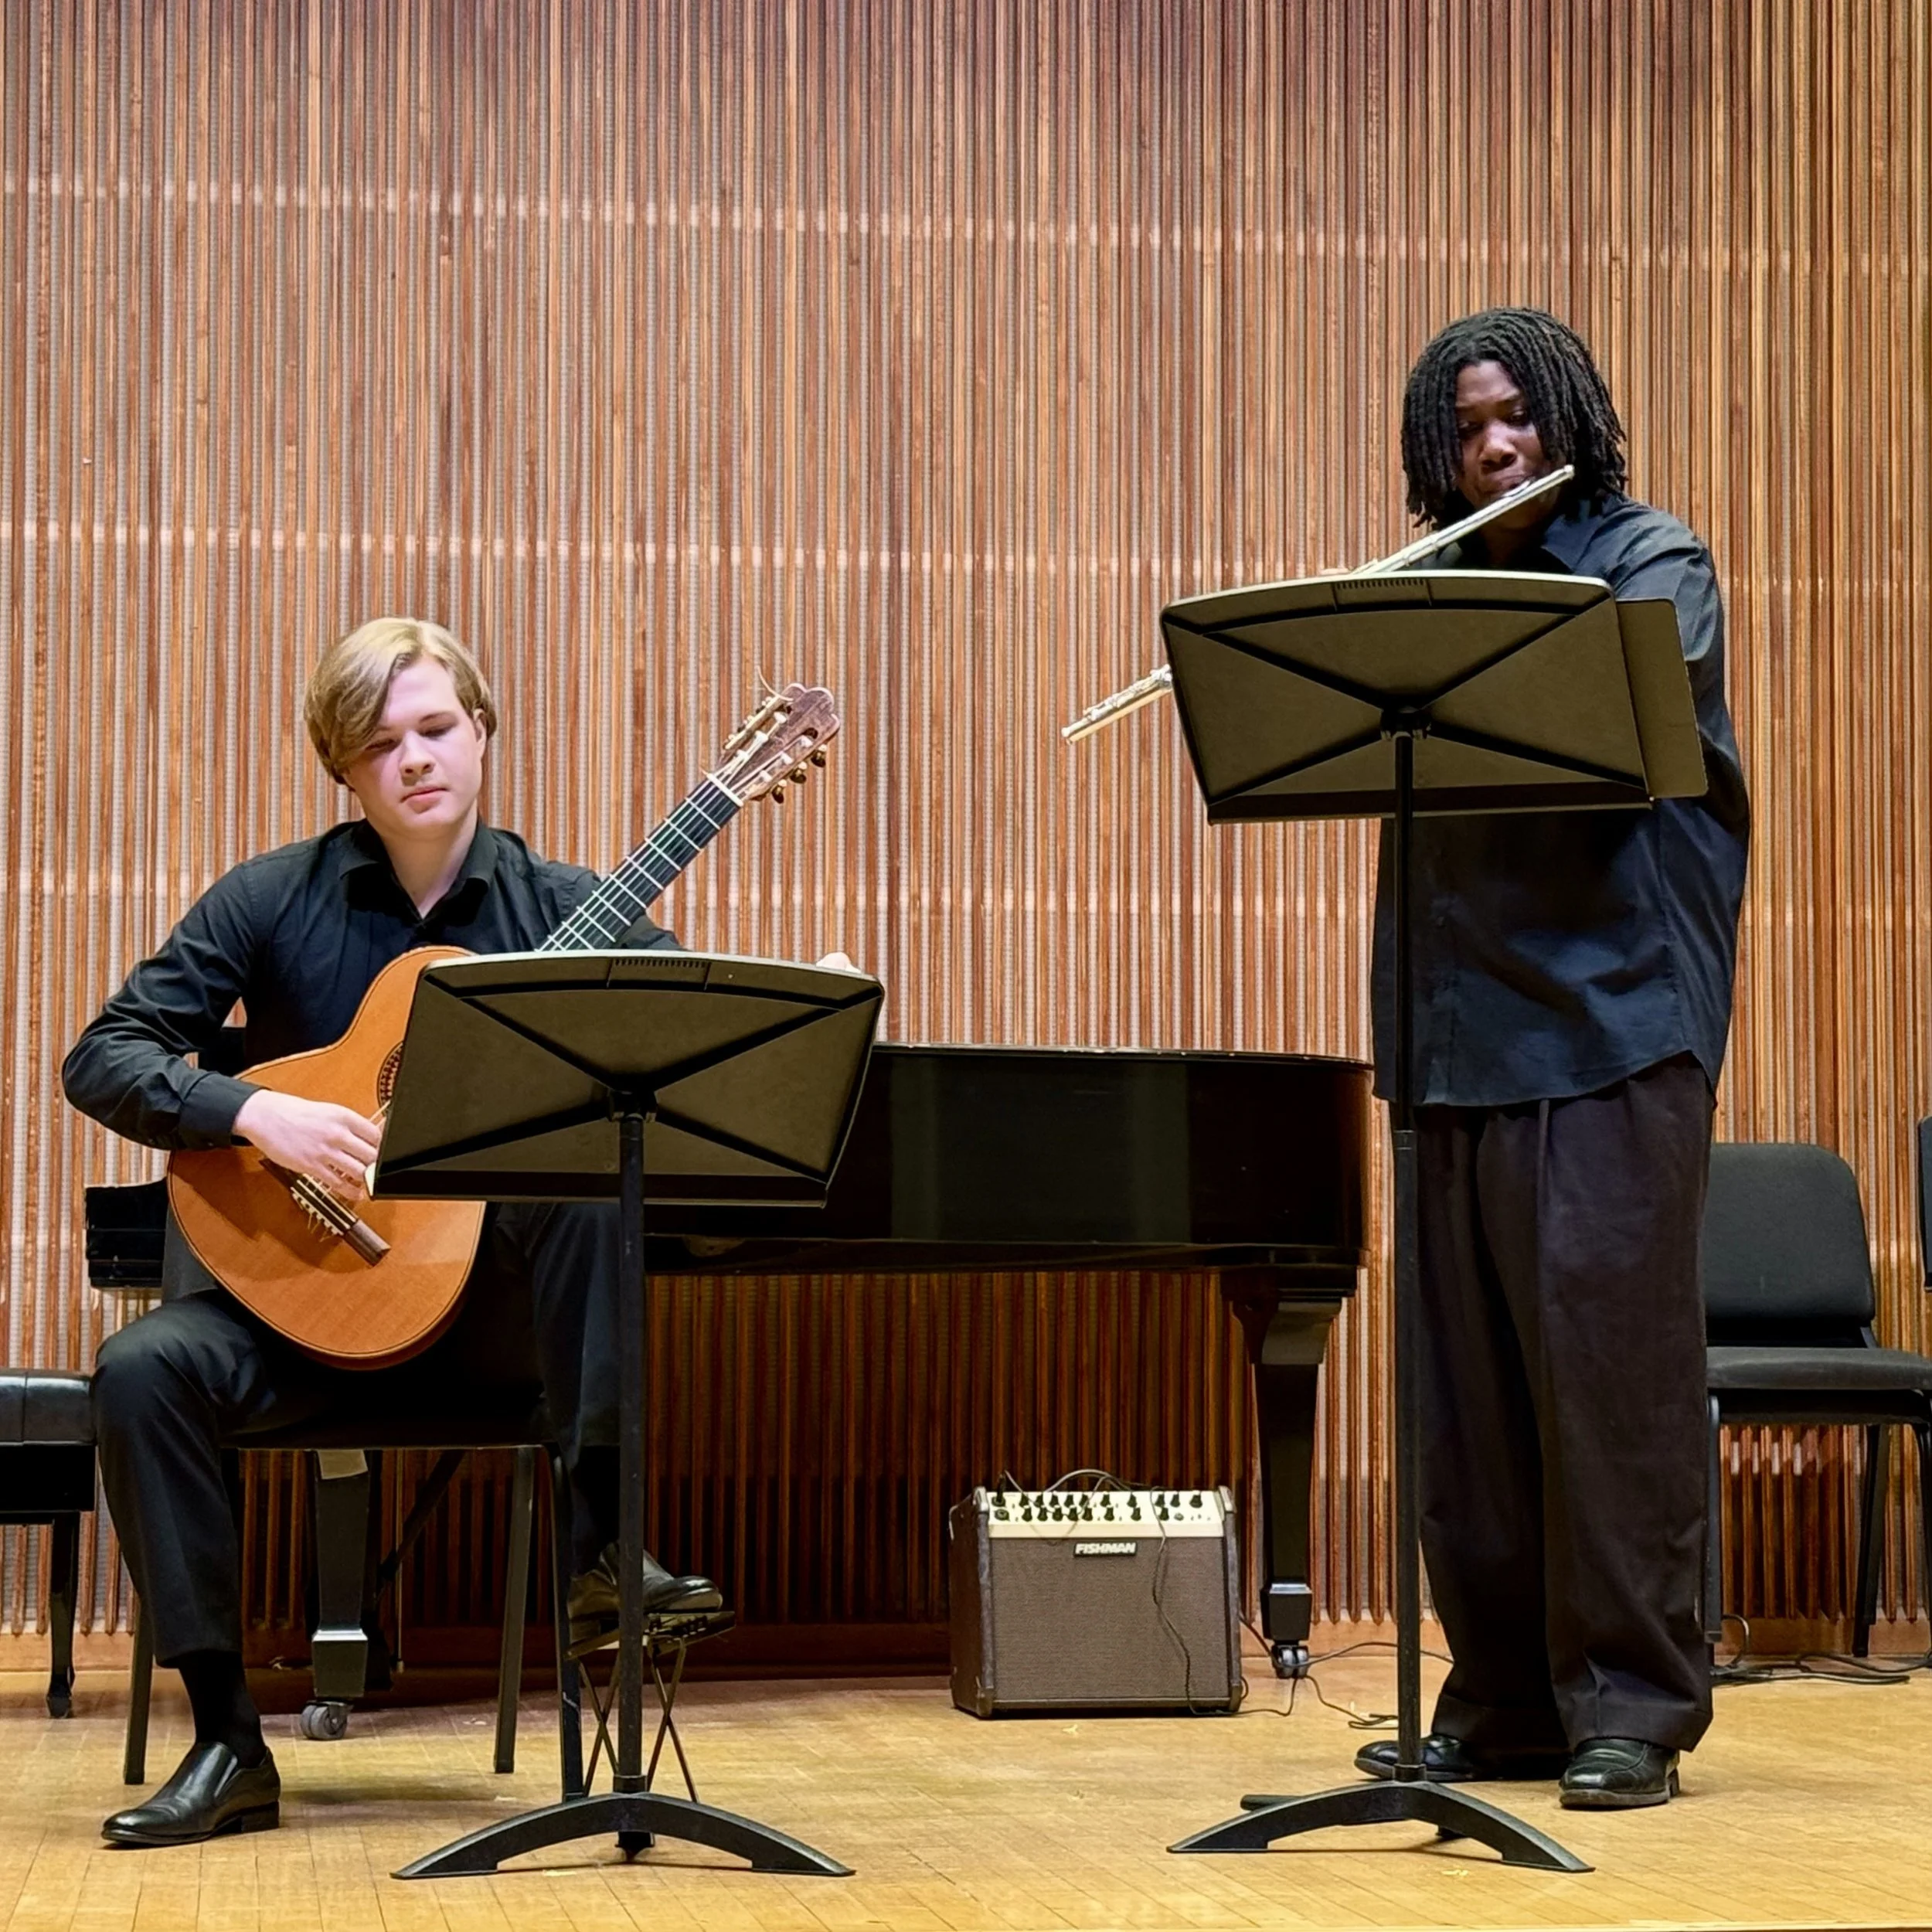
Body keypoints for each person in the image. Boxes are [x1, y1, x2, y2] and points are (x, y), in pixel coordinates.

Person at [66, 618, 730, 1846]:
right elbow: (104, 1056)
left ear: (480, 732)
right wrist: (257, 1109)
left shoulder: (569, 908)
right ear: (345, 770)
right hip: (306, 1311)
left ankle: (605, 1563)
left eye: (436, 728)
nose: (415, 760)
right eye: (381, 744)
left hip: (495, 1332)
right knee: (139, 1371)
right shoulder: (274, 898)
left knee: (590, 1179)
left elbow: (686, 1065)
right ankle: (225, 1742)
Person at [1351, 308, 1750, 1808]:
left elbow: (1610, 731)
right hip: (1453, 1033)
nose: (1492, 447)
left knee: (1605, 1383)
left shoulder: (1649, 560)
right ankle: (1503, 1697)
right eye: (1462, 430)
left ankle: (1632, 1703)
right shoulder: (1430, 591)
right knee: (1464, 1401)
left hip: (1609, 1019)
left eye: (1513, 415)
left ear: (1566, 412)